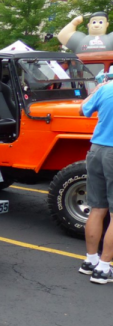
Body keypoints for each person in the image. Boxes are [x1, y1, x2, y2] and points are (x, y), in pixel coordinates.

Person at [79, 76, 113, 284]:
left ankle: (90, 261)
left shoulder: (106, 88)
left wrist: (94, 91)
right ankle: (104, 268)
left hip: (96, 150)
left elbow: (82, 110)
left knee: (97, 208)